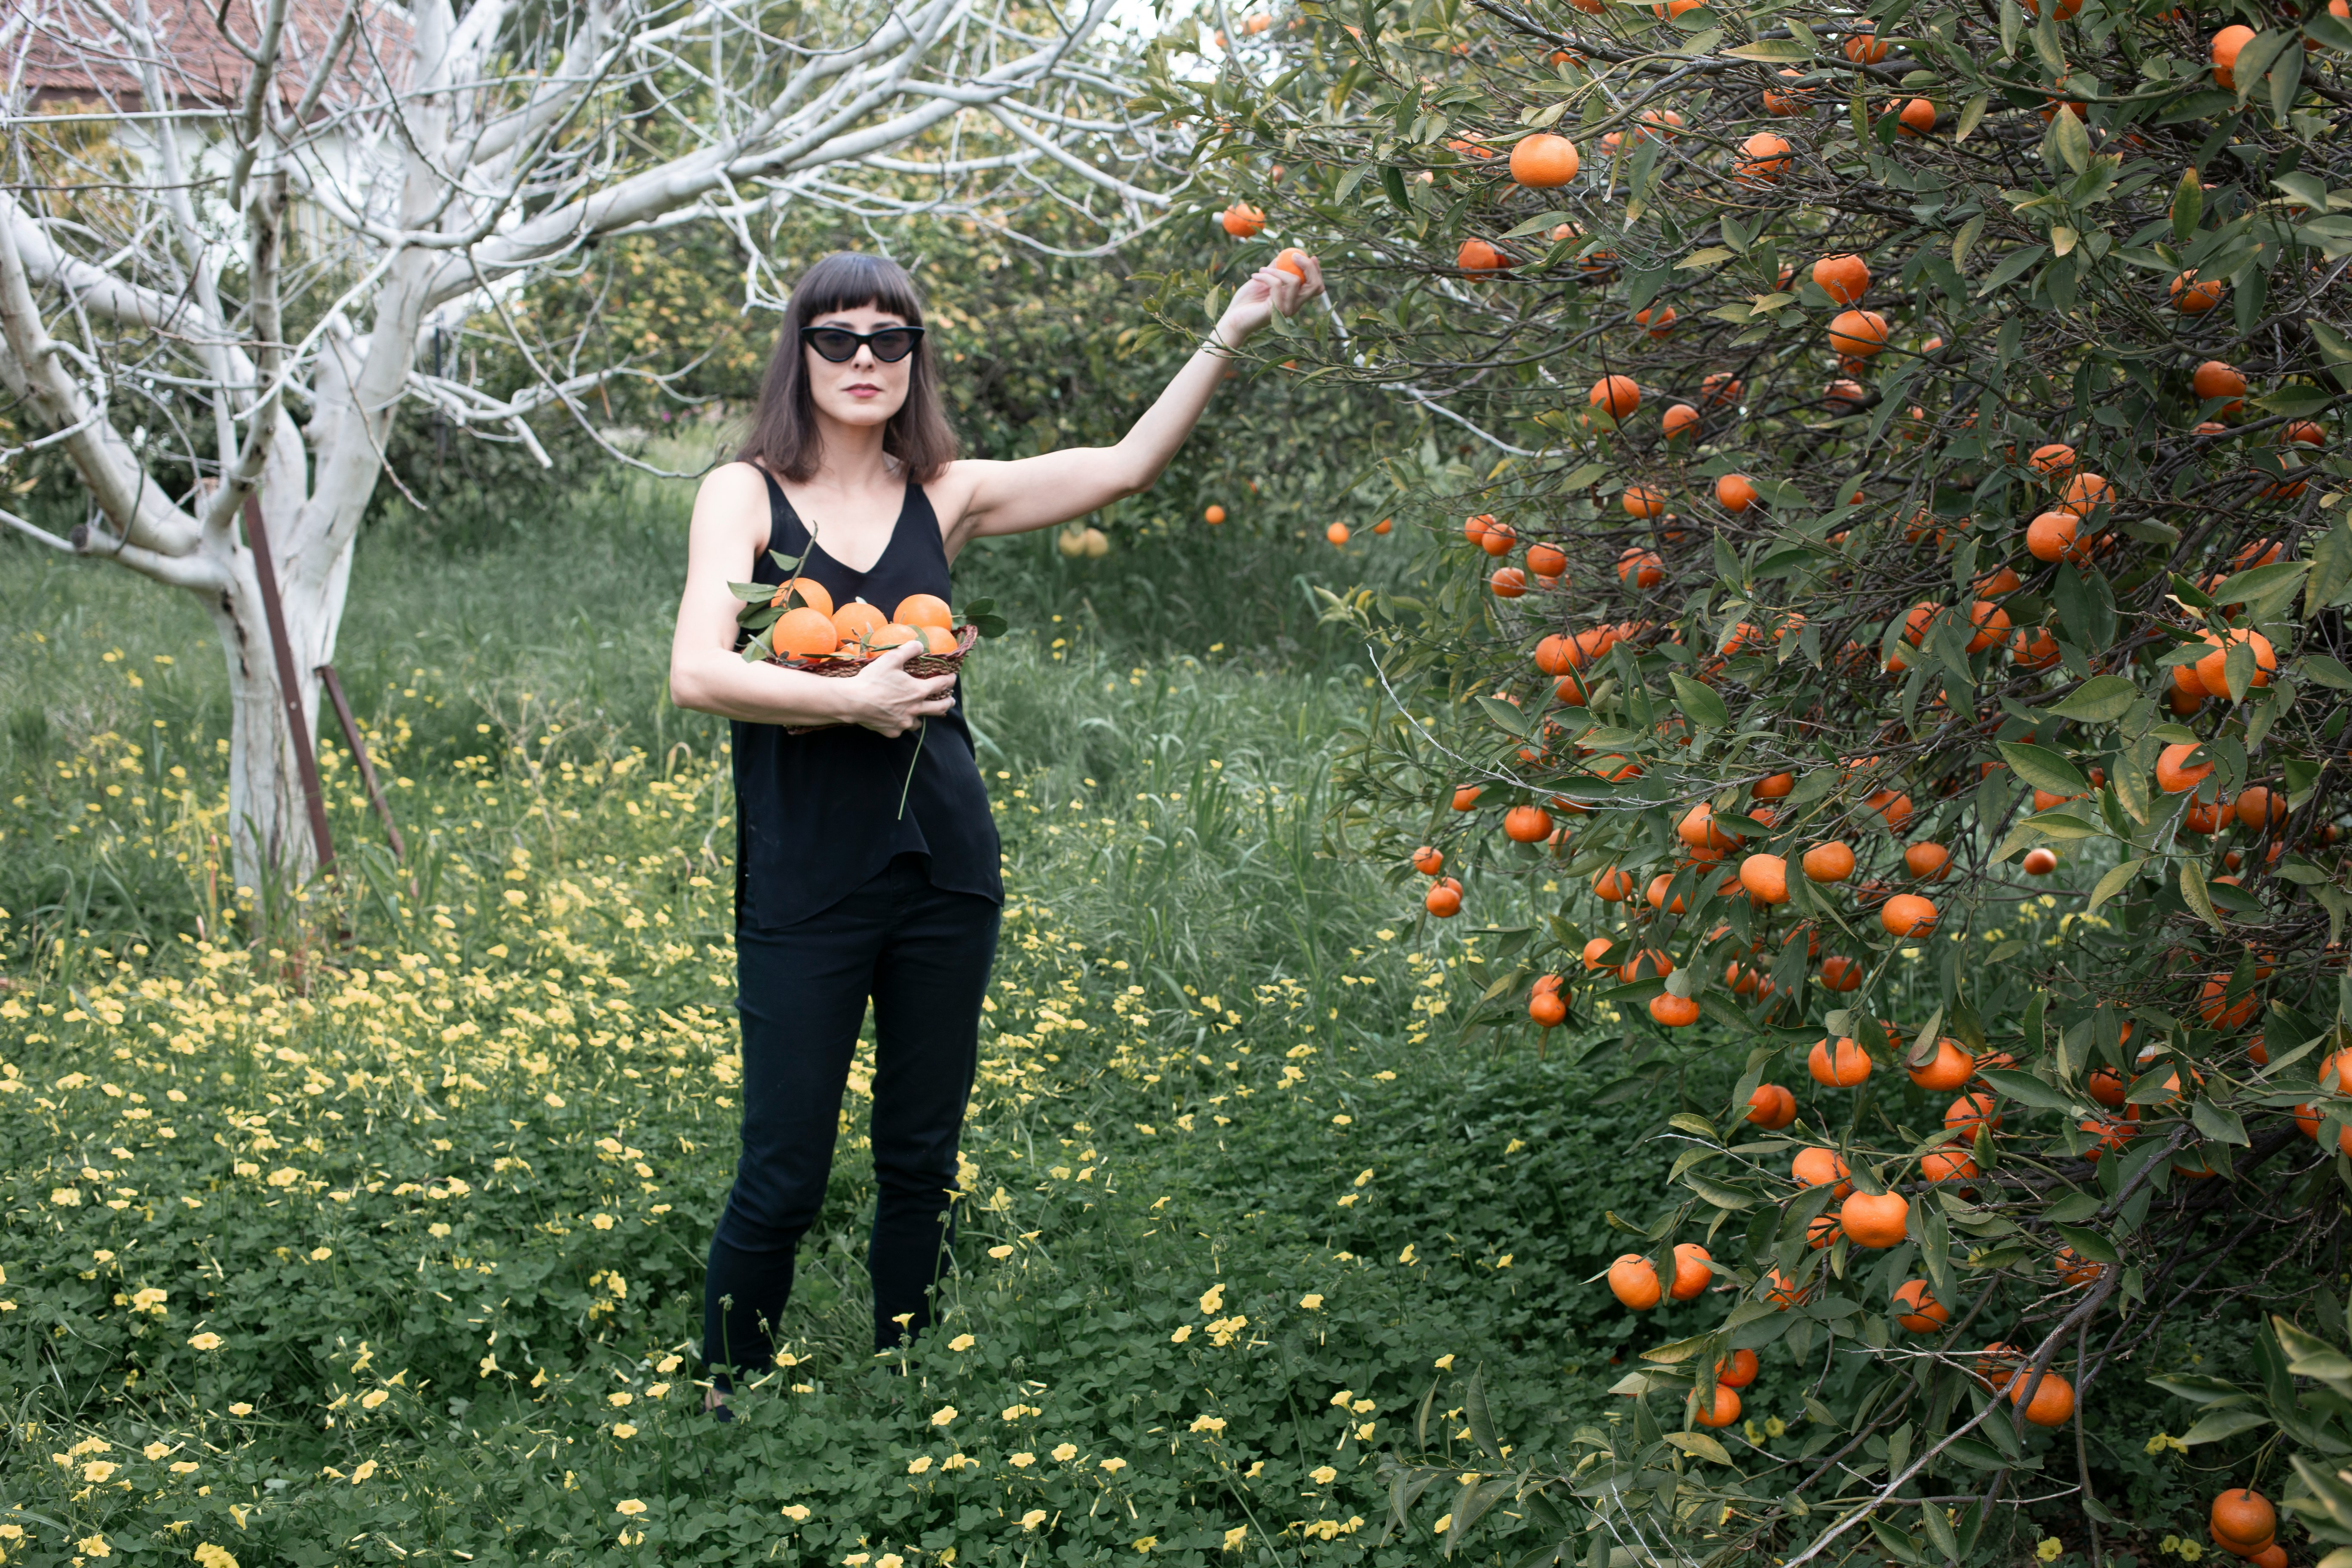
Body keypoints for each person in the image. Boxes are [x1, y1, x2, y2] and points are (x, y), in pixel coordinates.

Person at [667, 246, 1324, 1409]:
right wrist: (849, 701)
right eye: (838, 339)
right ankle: (724, 1392)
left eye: (891, 340)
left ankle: (905, 1371)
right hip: (807, 875)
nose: (865, 360)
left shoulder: (947, 492)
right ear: (801, 353)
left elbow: (1124, 468)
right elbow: (697, 672)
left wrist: (1236, 321)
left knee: (920, 1151)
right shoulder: (744, 494)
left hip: (944, 861)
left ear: (916, 358)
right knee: (785, 1163)